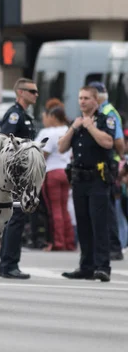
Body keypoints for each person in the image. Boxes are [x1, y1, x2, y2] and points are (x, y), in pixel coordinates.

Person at [58, 85, 115, 282]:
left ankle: (102, 267)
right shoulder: (76, 122)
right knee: (82, 224)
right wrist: (74, 128)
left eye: (86, 98)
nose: (82, 101)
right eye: (80, 98)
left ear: (95, 101)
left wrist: (90, 127)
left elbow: (108, 142)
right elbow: (62, 147)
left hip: (98, 178)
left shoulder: (104, 120)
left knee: (99, 224)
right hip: (79, 179)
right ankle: (86, 266)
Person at [0, 77, 38, 280]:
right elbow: (6, 143)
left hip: (25, 174)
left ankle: (10, 262)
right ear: (20, 92)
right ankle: (8, 264)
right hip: (15, 174)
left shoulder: (26, 116)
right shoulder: (15, 115)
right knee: (15, 217)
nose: (36, 94)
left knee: (18, 218)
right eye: (32, 91)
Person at [89, 81, 124, 261]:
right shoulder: (106, 111)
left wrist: (119, 159)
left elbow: (118, 141)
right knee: (106, 208)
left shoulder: (108, 113)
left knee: (108, 209)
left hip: (109, 165)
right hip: (107, 165)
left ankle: (114, 246)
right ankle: (111, 245)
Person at [35, 99, 75, 251]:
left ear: (52, 117)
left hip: (52, 172)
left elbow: (40, 154)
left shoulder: (48, 132)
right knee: (64, 209)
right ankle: (69, 241)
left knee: (54, 210)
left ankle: (58, 242)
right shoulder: (69, 130)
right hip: (66, 172)